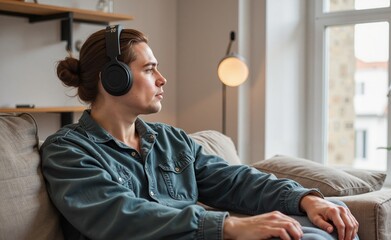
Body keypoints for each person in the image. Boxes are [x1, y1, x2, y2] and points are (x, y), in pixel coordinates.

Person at [41, 25, 359, 240]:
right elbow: (119, 214)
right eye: (150, 70)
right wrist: (229, 226)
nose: (162, 79)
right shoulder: (68, 151)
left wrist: (304, 199)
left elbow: (236, 180)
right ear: (113, 79)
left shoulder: (171, 140)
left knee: (329, 226)